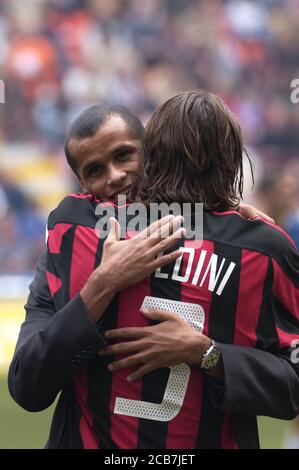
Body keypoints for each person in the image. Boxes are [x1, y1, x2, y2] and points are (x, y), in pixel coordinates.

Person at [9, 99, 299, 448]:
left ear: (154, 154)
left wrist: (208, 354)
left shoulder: (72, 228)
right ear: (83, 184)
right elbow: (27, 385)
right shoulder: (256, 248)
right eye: (95, 170)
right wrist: (103, 283)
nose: (115, 176)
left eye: (124, 156)